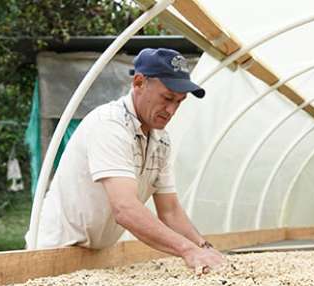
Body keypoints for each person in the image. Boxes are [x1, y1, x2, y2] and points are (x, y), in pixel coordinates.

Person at [28, 48, 224, 274]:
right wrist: (187, 250)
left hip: (96, 259)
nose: (171, 110)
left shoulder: (161, 140)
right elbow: (125, 209)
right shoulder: (110, 125)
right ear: (139, 83)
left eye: (179, 102)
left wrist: (204, 248)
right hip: (54, 254)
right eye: (167, 98)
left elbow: (170, 211)